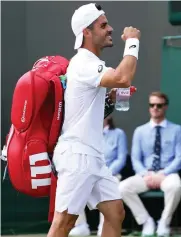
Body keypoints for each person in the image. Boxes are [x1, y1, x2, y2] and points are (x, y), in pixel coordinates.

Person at [47, 3, 141, 237]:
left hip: (93, 156)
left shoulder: (89, 65)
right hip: (78, 157)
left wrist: (108, 100)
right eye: (103, 25)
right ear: (86, 32)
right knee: (64, 223)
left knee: (115, 212)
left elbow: (84, 111)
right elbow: (123, 77)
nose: (110, 29)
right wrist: (132, 42)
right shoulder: (83, 63)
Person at [119, 92, 181, 237]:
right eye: (152, 105)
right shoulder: (140, 131)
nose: (155, 108)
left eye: (159, 105)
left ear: (165, 107)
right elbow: (135, 158)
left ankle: (164, 222)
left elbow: (179, 157)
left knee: (176, 186)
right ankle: (146, 221)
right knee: (122, 188)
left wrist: (163, 174)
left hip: (167, 173)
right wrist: (145, 174)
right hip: (145, 174)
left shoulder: (177, 130)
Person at [69, 116, 128, 236]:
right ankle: (81, 225)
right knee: (73, 184)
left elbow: (121, 158)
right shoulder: (85, 134)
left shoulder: (118, 134)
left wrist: (105, 173)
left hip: (112, 174)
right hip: (90, 173)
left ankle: (105, 225)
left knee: (110, 187)